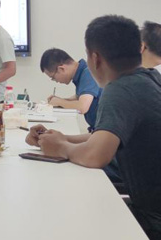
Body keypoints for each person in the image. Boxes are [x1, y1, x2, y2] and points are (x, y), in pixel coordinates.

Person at [25, 15, 161, 239]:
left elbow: (95, 155)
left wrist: (61, 147)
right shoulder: (148, 79)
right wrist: (60, 138)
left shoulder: (120, 89)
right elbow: (104, 136)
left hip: (152, 220)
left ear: (95, 59)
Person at [40, 48, 102, 131]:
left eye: (53, 77)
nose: (56, 81)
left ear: (61, 69)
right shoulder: (82, 73)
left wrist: (59, 102)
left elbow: (82, 107)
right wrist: (61, 100)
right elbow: (80, 97)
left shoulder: (88, 73)